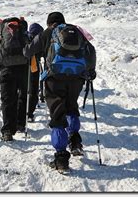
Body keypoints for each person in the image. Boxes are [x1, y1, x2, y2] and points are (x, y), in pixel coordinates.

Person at [23, 12, 96, 173]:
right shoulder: (76, 31)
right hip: (76, 78)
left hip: (54, 78)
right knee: (71, 107)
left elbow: (28, 51)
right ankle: (75, 141)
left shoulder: (48, 32)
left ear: (49, 22)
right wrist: (90, 71)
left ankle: (61, 157)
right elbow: (91, 51)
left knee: (57, 114)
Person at [0, 17, 29, 141]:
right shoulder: (23, 35)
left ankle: (8, 130)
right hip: (23, 70)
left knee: (7, 100)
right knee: (22, 97)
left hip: (6, 70)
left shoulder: (3, 37)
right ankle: (20, 124)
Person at [26, 23, 44, 122]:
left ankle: (22, 111)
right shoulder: (39, 40)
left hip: (23, 66)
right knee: (33, 89)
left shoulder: (25, 37)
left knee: (24, 89)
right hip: (34, 66)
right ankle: (30, 113)